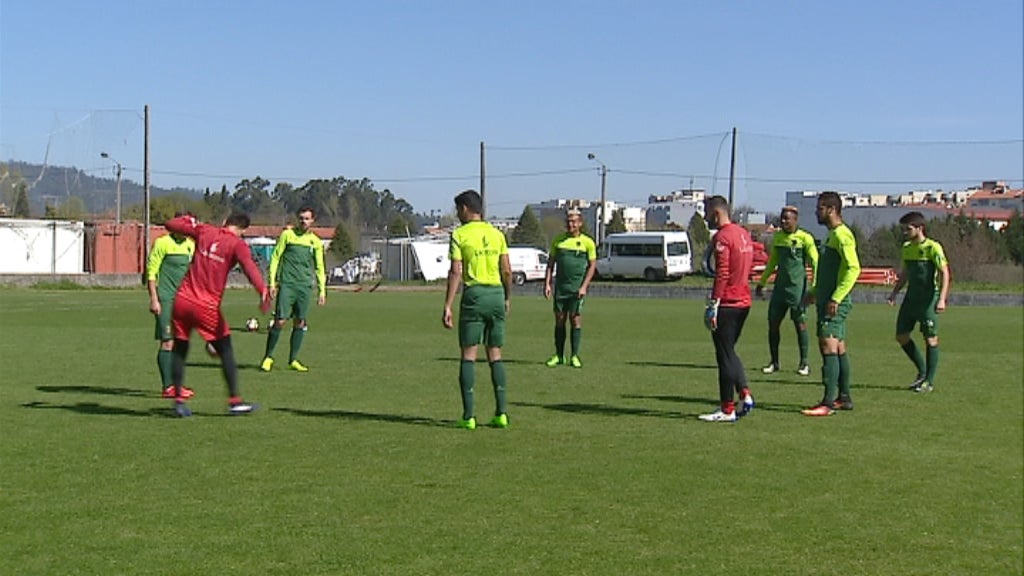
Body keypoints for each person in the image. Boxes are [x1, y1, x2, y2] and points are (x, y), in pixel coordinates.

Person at [164, 212, 271, 417]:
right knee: (226, 348)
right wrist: (262, 290)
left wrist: (188, 219)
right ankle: (235, 401)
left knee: (180, 348)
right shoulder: (237, 244)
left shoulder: (204, 230)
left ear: (225, 222)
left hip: (182, 300)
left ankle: (178, 401)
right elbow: (249, 267)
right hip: (206, 306)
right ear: (242, 230)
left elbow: (170, 224)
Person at [442, 189, 512, 430]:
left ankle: (469, 416)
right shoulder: (497, 234)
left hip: (474, 296)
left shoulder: (459, 234)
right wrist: (507, 297)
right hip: (496, 294)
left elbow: (456, 272)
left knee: (468, 355)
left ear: (464, 208)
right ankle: (501, 413)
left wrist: (448, 305)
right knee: (495, 354)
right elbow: (507, 270)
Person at [801, 192, 861, 416]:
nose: (817, 212)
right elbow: (830, 272)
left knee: (828, 345)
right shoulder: (832, 235)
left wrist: (836, 297)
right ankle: (843, 398)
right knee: (839, 347)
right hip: (827, 298)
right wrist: (816, 292)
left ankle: (827, 403)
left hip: (835, 301)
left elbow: (853, 268)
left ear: (832, 210)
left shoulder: (842, 235)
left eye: (820, 208)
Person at [699, 195, 755, 423]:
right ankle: (744, 394)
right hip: (743, 301)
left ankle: (727, 408)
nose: (704, 218)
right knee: (729, 351)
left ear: (716, 213)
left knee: (723, 355)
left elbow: (721, 272)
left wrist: (714, 303)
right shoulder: (743, 234)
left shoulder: (723, 237)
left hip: (729, 303)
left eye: (706, 213)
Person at [887, 211, 950, 393]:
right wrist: (894, 293)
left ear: (920, 228)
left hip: (927, 300)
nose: (905, 232)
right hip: (910, 299)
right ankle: (922, 371)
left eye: (908, 229)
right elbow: (906, 273)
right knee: (901, 336)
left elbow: (945, 273)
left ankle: (928, 381)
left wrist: (942, 299)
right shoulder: (907, 248)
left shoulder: (932, 248)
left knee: (930, 339)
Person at [260, 206, 327, 373]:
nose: (304, 221)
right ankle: (268, 357)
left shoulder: (316, 242)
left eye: (307, 218)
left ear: (312, 221)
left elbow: (319, 267)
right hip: (288, 285)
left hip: (304, 287)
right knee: (280, 321)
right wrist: (272, 282)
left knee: (300, 322)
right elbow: (276, 257)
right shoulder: (287, 236)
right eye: (301, 218)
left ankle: (293, 359)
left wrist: (322, 290)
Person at [755, 206, 819, 376]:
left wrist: (814, 287)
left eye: (786, 219)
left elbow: (815, 262)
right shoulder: (778, 238)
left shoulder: (805, 238)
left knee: (800, 324)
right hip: (780, 289)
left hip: (798, 290)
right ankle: (774, 362)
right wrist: (762, 282)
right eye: (782, 218)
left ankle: (804, 363)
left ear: (795, 220)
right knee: (773, 324)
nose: (783, 222)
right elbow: (772, 263)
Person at [146, 213, 196, 399]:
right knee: (167, 341)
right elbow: (151, 273)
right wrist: (154, 299)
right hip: (166, 299)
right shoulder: (162, 243)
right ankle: (168, 386)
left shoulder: (190, 245)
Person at [543, 210, 597, 368]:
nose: (570, 224)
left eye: (574, 221)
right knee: (559, 321)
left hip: (576, 290)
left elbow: (592, 265)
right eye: (568, 221)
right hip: (561, 288)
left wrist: (584, 286)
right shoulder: (558, 241)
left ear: (580, 223)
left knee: (575, 320)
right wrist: (547, 284)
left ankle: (574, 355)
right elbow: (550, 264)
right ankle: (559, 355)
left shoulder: (587, 243)